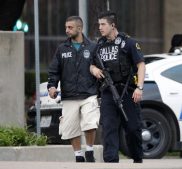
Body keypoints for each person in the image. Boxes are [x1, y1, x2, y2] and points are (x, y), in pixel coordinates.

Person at [90, 11, 145, 163]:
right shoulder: (99, 45)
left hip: (127, 90)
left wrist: (139, 88)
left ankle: (137, 159)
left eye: (103, 24)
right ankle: (111, 162)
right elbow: (91, 64)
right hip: (108, 91)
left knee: (133, 128)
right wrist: (94, 69)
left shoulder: (129, 43)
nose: (100, 27)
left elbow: (141, 65)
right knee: (108, 128)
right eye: (99, 24)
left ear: (112, 25)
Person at [47, 16, 100, 163]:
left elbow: (100, 67)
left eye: (70, 27)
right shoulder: (62, 48)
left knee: (90, 123)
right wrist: (52, 86)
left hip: (89, 94)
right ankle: (78, 155)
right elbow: (54, 71)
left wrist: (96, 69)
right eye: (66, 27)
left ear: (79, 28)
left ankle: (89, 152)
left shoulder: (93, 47)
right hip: (69, 95)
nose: (67, 30)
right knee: (70, 128)